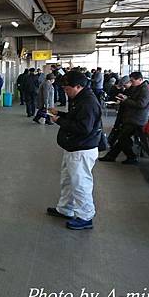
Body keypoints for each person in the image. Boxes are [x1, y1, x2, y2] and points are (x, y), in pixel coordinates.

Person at [47, 71, 102, 230]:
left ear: (78, 86)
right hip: (73, 147)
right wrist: (61, 114)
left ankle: (85, 217)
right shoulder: (80, 99)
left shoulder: (88, 103)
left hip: (82, 149)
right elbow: (76, 117)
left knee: (80, 183)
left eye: (67, 89)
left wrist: (59, 121)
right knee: (68, 180)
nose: (65, 91)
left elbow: (83, 128)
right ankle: (65, 209)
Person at [99, 71, 149, 165]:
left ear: (140, 80)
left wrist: (126, 100)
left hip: (137, 119)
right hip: (132, 117)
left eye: (133, 81)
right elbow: (134, 100)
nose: (131, 82)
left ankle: (130, 157)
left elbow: (141, 104)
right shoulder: (138, 88)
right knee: (122, 138)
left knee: (122, 138)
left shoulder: (145, 90)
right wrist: (125, 97)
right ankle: (112, 156)